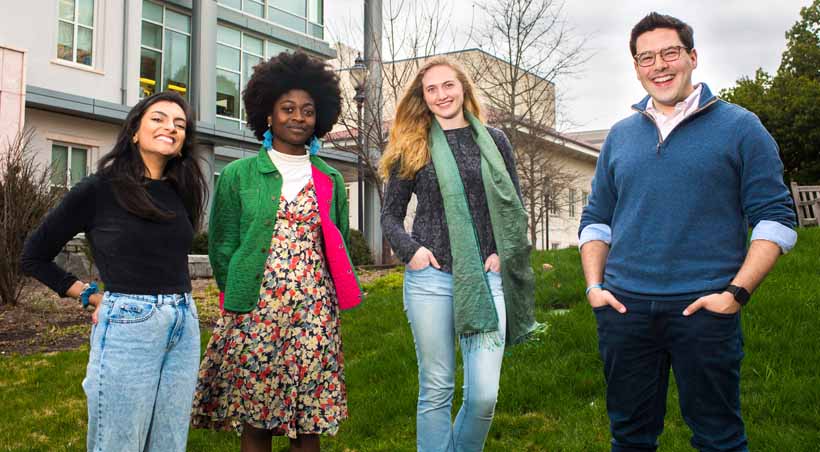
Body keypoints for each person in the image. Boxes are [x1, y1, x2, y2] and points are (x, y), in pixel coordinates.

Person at [579, 12, 798, 452]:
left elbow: (776, 218)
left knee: (719, 439)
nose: (659, 65)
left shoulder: (740, 128)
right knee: (629, 438)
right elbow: (596, 219)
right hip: (624, 310)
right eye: (646, 58)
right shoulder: (620, 137)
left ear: (692, 57)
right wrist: (594, 288)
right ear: (637, 67)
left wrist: (734, 294)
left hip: (705, 309)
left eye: (669, 53)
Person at [191, 51, 361, 452]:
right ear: (268, 114)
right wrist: (235, 292)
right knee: (258, 420)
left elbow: (336, 244)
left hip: (315, 313)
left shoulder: (331, 179)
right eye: (288, 109)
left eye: (307, 110)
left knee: (309, 423)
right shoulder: (238, 175)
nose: (298, 117)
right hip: (257, 310)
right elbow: (222, 245)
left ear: (319, 117)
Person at [21, 91, 208, 452]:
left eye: (179, 124)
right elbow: (33, 256)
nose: (170, 126)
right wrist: (88, 294)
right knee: (119, 443)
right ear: (134, 130)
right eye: (158, 118)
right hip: (129, 326)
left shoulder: (180, 190)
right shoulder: (99, 189)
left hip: (184, 323)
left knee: (169, 443)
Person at [380, 56, 538, 452]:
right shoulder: (412, 146)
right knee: (436, 388)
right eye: (431, 89)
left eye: (448, 85)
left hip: (486, 278)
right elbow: (390, 217)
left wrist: (504, 252)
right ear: (423, 97)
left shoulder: (494, 140)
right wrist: (412, 251)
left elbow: (514, 207)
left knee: (483, 395)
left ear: (463, 87)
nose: (441, 95)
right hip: (430, 279)